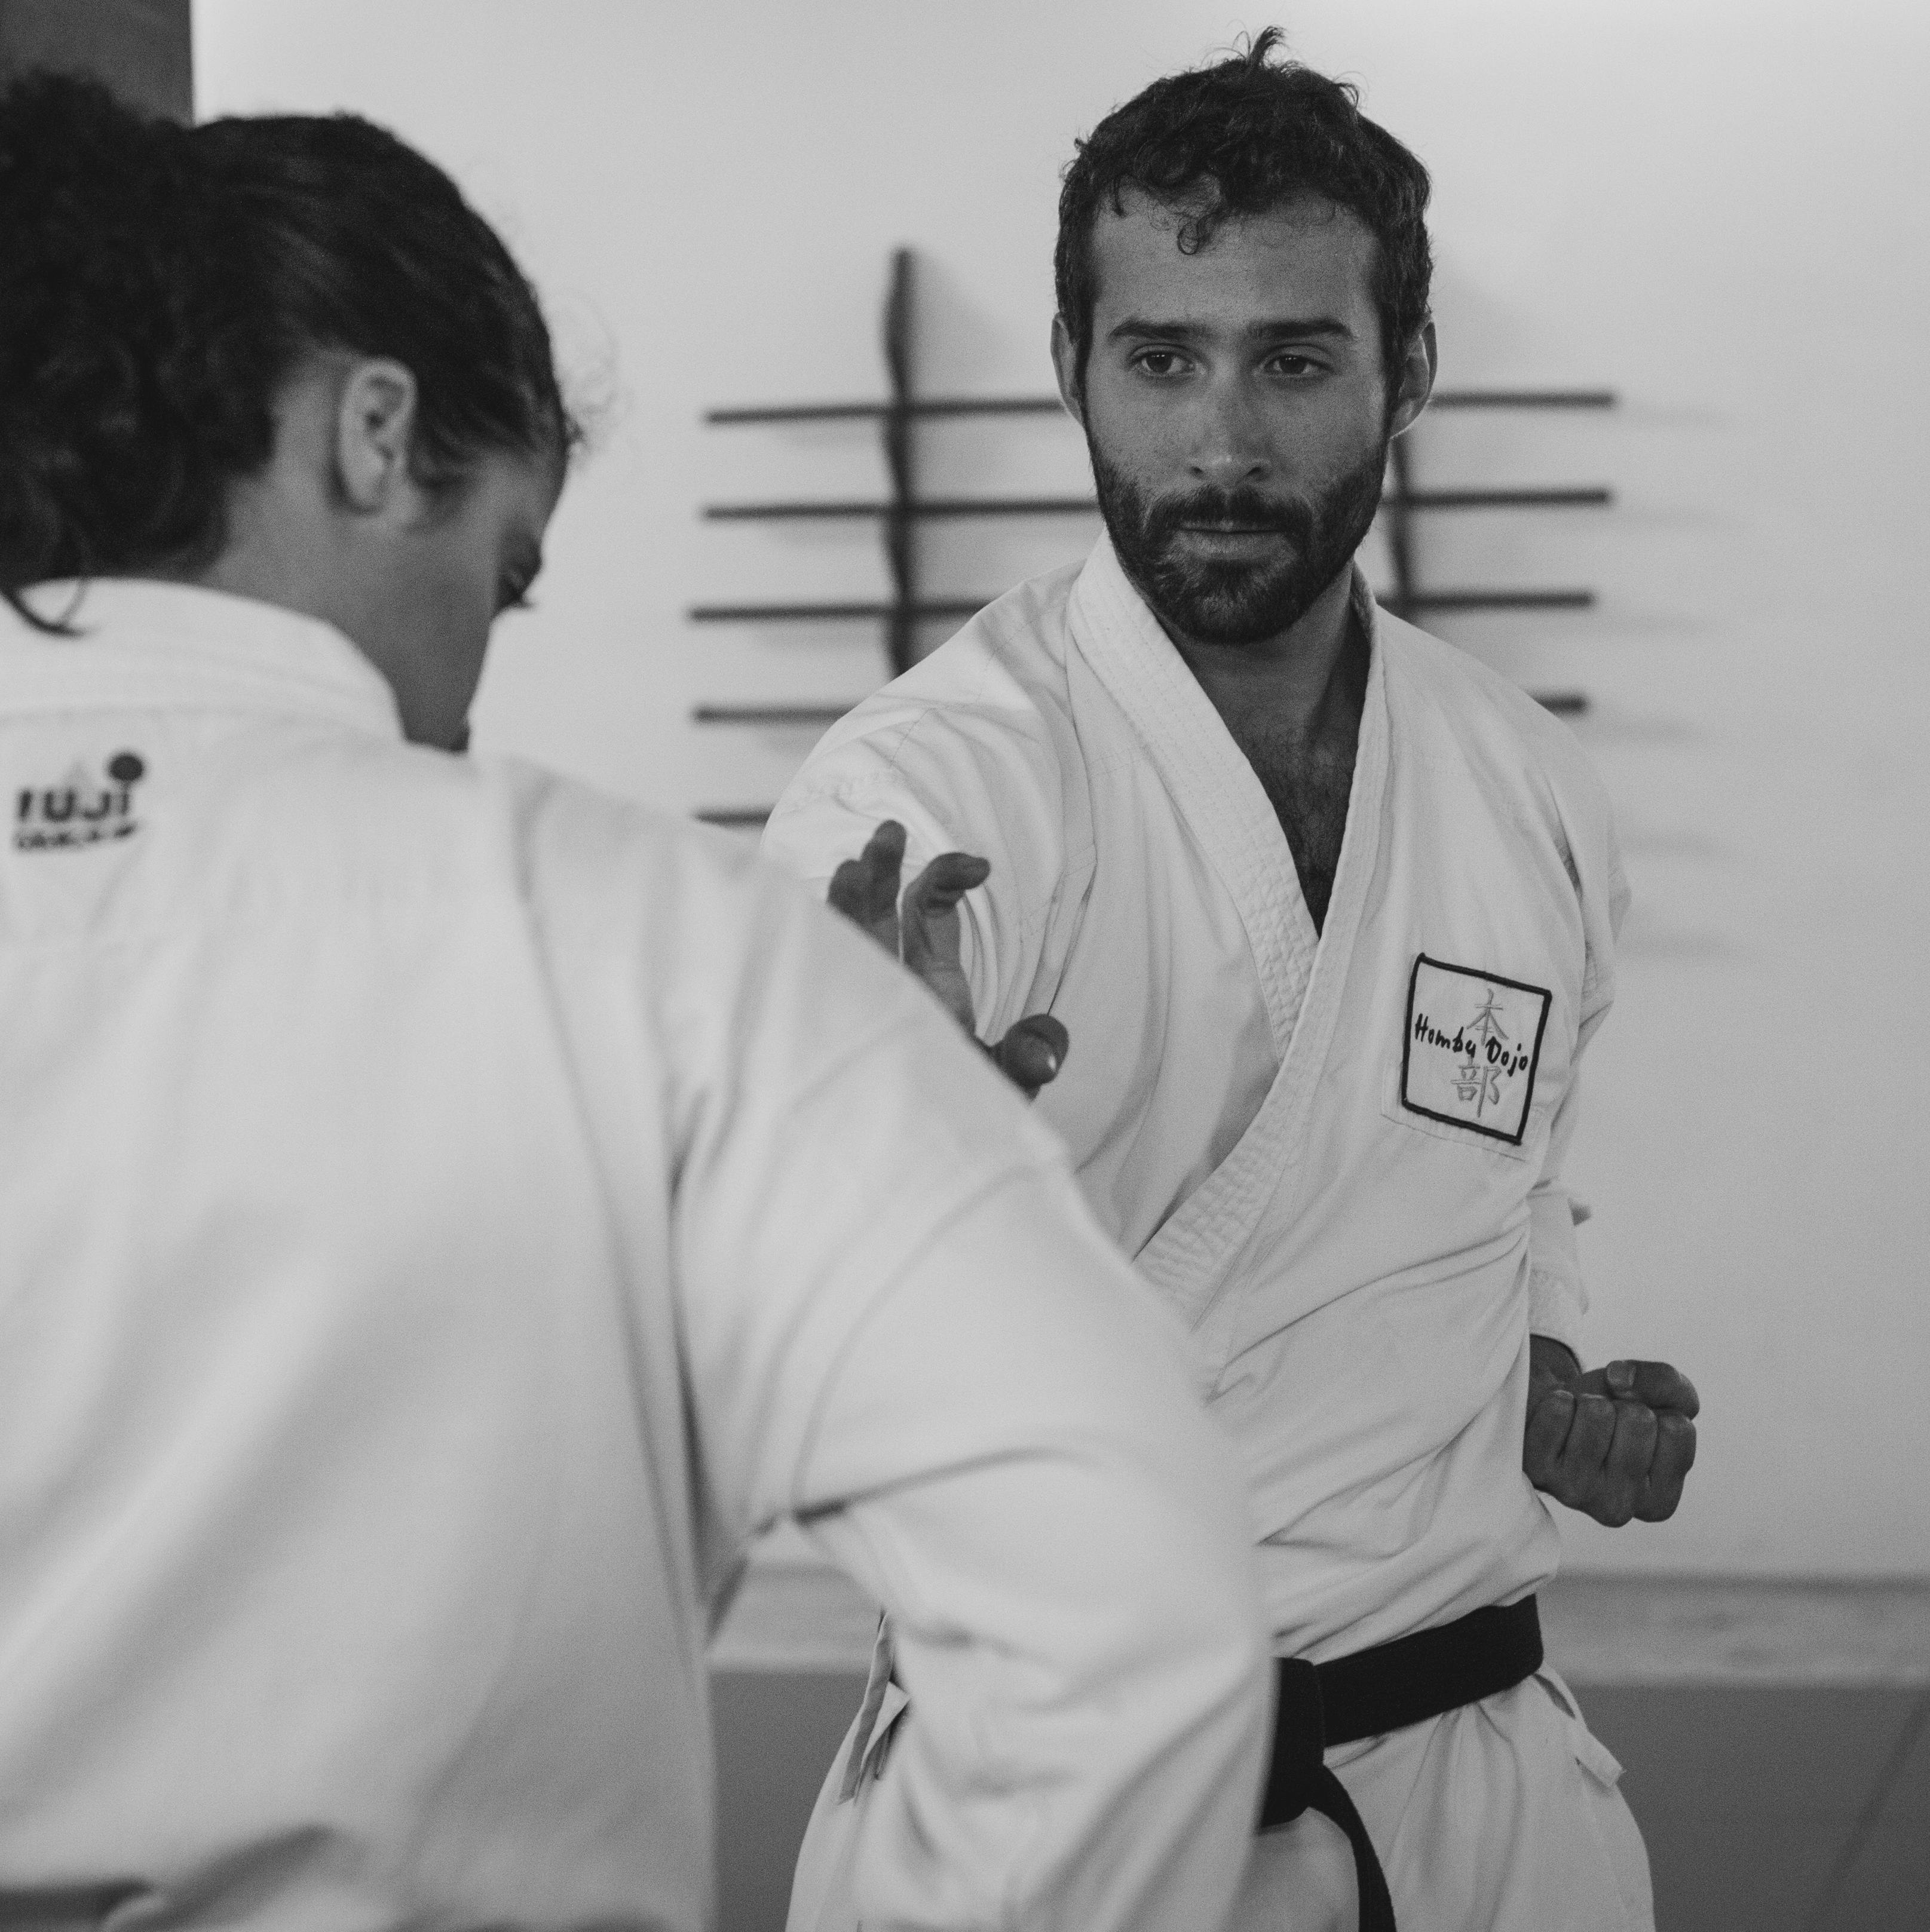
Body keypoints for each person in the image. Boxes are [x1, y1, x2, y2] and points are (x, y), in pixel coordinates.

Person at [0, 76, 1277, 1931]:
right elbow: (1126, 1598)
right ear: (377, 436)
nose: (465, 693)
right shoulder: (645, 952)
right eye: (503, 579)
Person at [765, 33, 1699, 1932]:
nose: (1220, 442)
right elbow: (778, 1220)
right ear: (1073, 369)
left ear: (1406, 371)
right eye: (1161, 359)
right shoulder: (939, 788)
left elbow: (1504, 1177)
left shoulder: (1523, 784)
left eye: (1293, 360)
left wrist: (1543, 1377)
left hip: (1471, 1793)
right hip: (1054, 1812)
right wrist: (871, 1135)